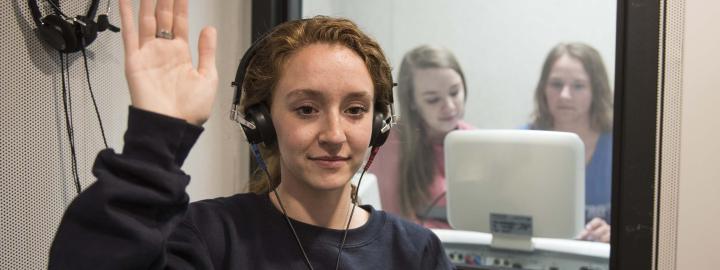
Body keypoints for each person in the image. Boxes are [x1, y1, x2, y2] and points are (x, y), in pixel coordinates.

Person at [47, 0, 454, 269]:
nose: (334, 133)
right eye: (306, 109)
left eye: (355, 110)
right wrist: (156, 138)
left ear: (379, 122)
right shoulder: (209, 237)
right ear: (260, 119)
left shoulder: (418, 253)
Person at [370, 45, 471, 229]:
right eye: (433, 99)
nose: (449, 106)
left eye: (455, 92)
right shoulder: (391, 142)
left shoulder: (475, 140)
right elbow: (388, 224)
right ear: (412, 102)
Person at [528, 42, 613, 243]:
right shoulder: (520, 143)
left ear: (596, 91)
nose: (565, 95)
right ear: (543, 89)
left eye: (578, 86)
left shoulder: (623, 148)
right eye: (556, 84)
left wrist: (613, 234)